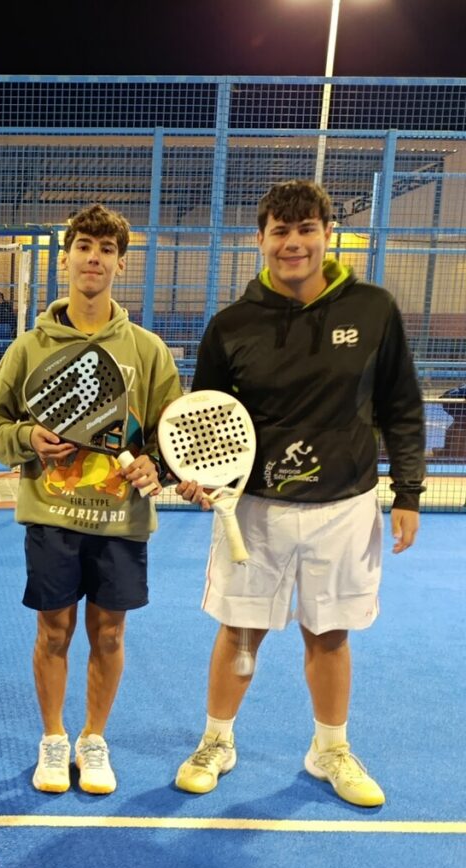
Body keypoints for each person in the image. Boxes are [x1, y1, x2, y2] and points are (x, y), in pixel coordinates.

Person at [173, 180, 426, 808]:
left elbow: (401, 404)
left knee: (331, 634)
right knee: (239, 633)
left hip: (344, 506)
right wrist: (202, 479)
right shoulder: (231, 326)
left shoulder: (374, 309)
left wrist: (410, 493)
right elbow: (205, 416)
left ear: (326, 236)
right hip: (254, 510)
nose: (294, 243)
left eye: (306, 229)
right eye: (280, 232)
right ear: (259, 240)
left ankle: (330, 749)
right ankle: (217, 741)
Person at [0, 204, 181, 794]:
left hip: (122, 519)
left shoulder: (147, 350)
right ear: (65, 259)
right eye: (84, 246)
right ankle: (52, 740)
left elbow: (171, 430)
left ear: (120, 261)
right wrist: (25, 439)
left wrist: (158, 466)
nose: (94, 257)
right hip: (52, 517)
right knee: (54, 632)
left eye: (106, 248)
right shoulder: (30, 347)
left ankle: (93, 739)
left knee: (110, 633)